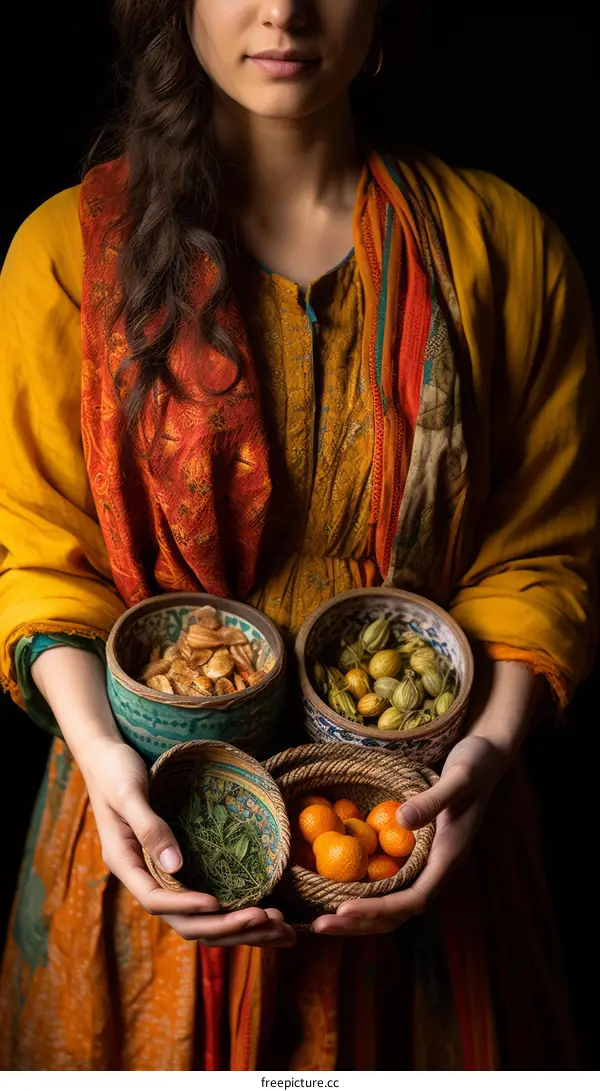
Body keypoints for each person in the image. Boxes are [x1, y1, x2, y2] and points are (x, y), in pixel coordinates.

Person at [0, 0, 598, 1072]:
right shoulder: (65, 255)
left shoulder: (503, 250)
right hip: (148, 833)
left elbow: (539, 553)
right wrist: (106, 767)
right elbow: (41, 554)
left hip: (421, 838)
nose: (282, 8)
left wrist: (485, 758)